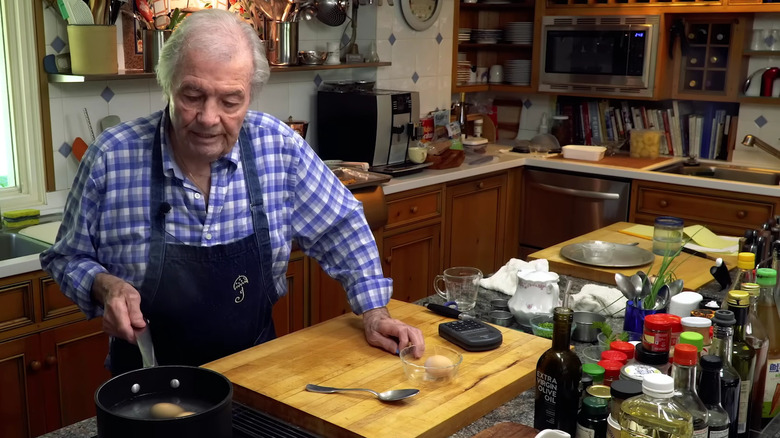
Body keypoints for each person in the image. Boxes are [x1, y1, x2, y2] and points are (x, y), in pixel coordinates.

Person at [40, 8, 424, 376]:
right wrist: (103, 285)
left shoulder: (278, 147)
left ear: (250, 97)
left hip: (256, 374)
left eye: (230, 101)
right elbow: (67, 257)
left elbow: (341, 226)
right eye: (192, 96)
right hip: (146, 383)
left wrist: (375, 310)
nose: (209, 118)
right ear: (168, 85)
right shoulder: (111, 157)